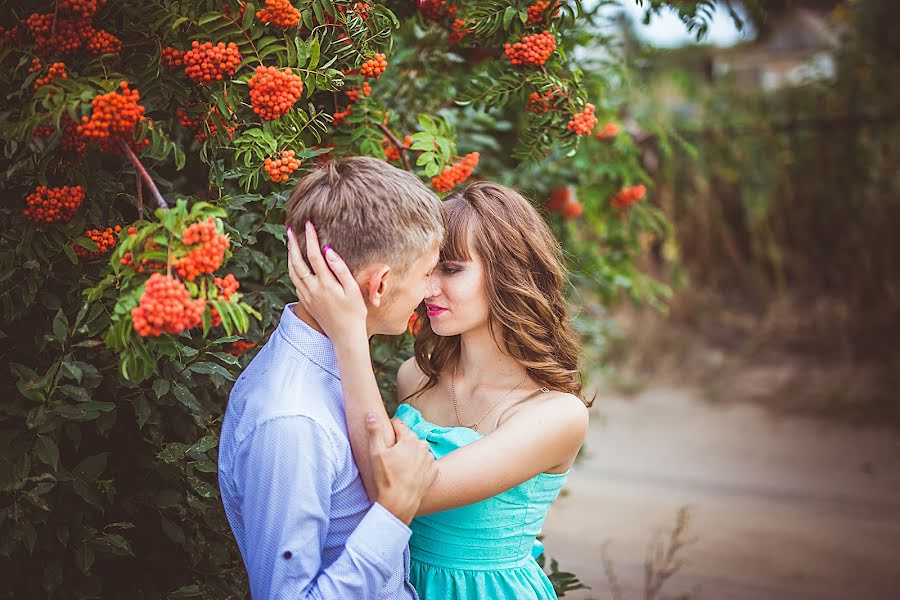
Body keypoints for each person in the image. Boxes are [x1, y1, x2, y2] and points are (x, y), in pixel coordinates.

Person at [288, 180, 590, 599]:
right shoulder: (414, 377)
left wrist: (349, 335)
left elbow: (401, 494)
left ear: (510, 271)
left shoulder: (556, 415)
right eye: (429, 269)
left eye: (451, 270)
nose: (428, 289)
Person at [218, 156, 447, 599]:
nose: (430, 290)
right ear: (378, 285)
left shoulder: (336, 367)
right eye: (426, 273)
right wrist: (394, 512)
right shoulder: (291, 420)